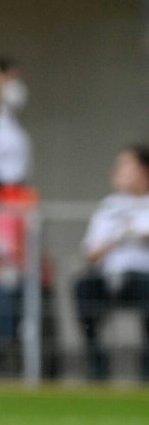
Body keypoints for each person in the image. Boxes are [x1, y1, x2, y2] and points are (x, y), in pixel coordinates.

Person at [72, 144, 149, 382]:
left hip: (142, 277)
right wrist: (116, 239)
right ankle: (97, 364)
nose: (119, 172)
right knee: (83, 287)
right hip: (108, 276)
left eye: (127, 166)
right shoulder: (109, 206)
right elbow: (91, 252)